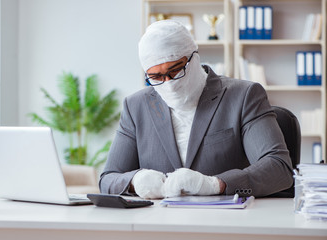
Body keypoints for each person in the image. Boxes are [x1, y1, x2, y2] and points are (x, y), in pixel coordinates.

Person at [99, 20, 293, 199]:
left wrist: (216, 185)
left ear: (194, 57)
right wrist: (134, 181)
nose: (169, 84)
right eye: (156, 77)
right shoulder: (135, 107)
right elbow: (108, 179)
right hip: (158, 224)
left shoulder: (243, 96)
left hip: (227, 222)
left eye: (175, 70)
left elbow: (279, 168)